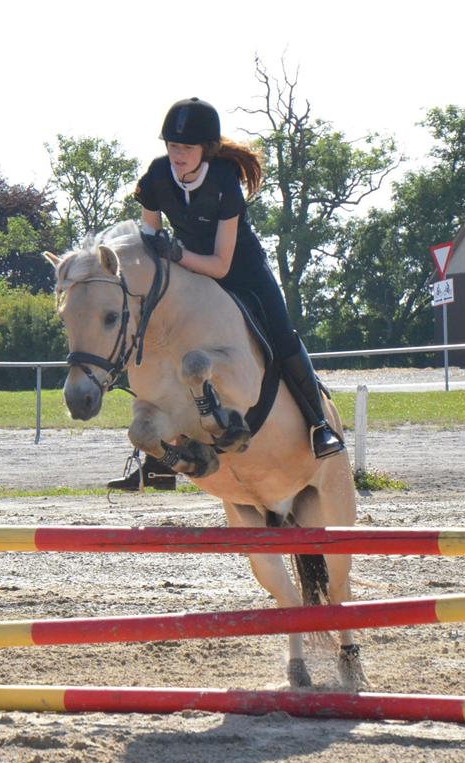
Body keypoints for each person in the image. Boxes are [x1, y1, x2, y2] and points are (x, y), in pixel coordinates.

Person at [108, 96, 343, 491]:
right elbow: (150, 237)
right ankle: (161, 461)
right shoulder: (157, 176)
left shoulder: (222, 182)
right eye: (172, 146)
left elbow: (220, 264)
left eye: (186, 148)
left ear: (207, 150)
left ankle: (319, 424)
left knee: (282, 337)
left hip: (242, 272)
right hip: (191, 275)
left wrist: (177, 254)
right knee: (164, 344)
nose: (177, 155)